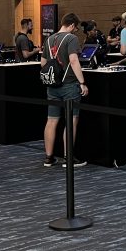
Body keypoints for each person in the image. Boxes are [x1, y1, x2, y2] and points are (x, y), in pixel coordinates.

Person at [40, 13, 89, 168]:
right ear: (72, 25)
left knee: (51, 120)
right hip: (69, 84)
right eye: (76, 28)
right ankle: (68, 158)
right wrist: (82, 82)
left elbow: (43, 63)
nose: (76, 31)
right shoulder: (71, 39)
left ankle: (49, 158)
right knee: (71, 120)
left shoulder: (49, 39)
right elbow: (74, 60)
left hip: (52, 85)